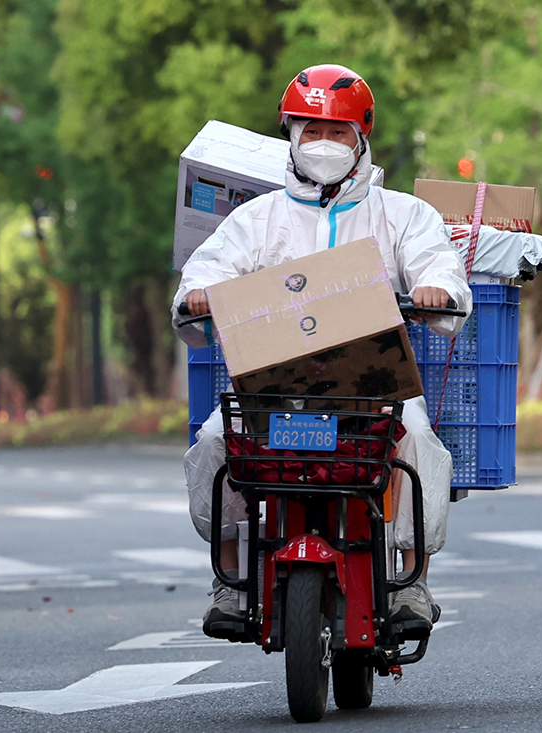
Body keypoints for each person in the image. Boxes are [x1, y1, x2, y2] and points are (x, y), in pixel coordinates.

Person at [172, 63, 472, 639]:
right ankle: (231, 582)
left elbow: (439, 265)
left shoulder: (402, 214)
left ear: (361, 140)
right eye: (312, 131)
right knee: (213, 442)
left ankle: (410, 582)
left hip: (376, 390)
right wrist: (197, 296)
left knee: (419, 445)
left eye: (338, 133)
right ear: (291, 136)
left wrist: (440, 290)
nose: (324, 144)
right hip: (270, 389)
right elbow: (204, 272)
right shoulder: (254, 219)